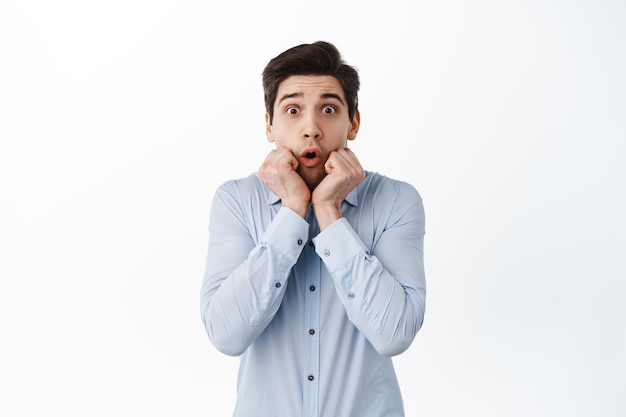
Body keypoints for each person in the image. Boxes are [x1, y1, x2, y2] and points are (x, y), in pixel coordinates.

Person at [200, 41, 426, 417]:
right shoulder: (235, 201)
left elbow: (394, 334)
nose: (311, 129)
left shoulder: (396, 201)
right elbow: (227, 335)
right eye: (292, 110)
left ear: (353, 122)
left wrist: (328, 211)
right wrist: (292, 211)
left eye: (328, 109)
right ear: (269, 125)